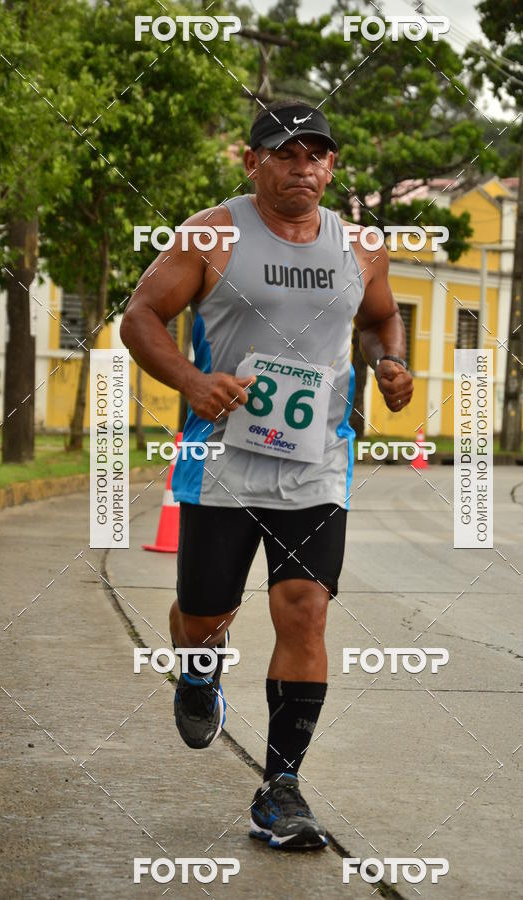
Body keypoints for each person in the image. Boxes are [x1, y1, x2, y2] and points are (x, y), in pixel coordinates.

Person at [120, 98, 413, 851]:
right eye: (286, 153)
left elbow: (381, 316)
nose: (303, 167)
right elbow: (140, 317)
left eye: (317, 154)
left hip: (316, 463)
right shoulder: (212, 233)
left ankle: (280, 788)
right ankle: (197, 671)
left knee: (304, 607)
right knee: (206, 615)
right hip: (220, 462)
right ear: (252, 163)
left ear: (332, 167)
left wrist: (389, 362)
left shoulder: (361, 245)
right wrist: (190, 381)